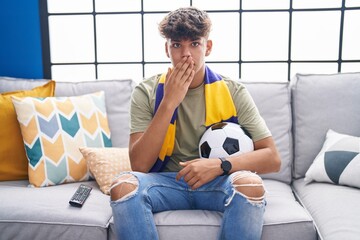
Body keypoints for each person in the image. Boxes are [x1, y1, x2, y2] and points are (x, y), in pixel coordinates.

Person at [110, 6, 281, 240]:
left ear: (207, 47)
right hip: (166, 183)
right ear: (167, 49)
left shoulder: (234, 91)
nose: (186, 54)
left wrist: (220, 165)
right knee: (123, 186)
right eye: (177, 45)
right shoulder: (145, 91)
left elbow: (272, 157)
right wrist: (169, 102)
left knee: (250, 184)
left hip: (217, 182)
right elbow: (139, 165)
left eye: (195, 44)